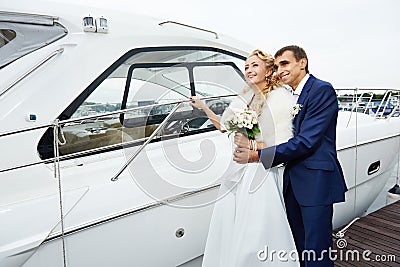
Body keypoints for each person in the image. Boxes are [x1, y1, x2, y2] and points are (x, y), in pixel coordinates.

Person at [234, 45, 348, 267]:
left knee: (317, 249)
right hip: (291, 180)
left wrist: (257, 155)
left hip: (315, 182)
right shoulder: (289, 96)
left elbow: (306, 141)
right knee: (298, 244)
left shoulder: (321, 90)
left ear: (302, 62)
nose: (279, 70)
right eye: (276, 66)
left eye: (284, 64)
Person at [191, 49, 299, 266]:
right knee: (232, 224)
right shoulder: (244, 97)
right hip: (238, 168)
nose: (249, 70)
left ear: (269, 70)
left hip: (260, 169)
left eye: (255, 66)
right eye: (247, 66)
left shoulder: (278, 98)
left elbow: (282, 142)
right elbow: (224, 127)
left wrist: (251, 146)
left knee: (255, 229)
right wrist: (204, 107)